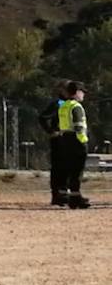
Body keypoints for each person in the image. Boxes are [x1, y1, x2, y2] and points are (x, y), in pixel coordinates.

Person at [54, 80, 91, 209]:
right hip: (76, 140)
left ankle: (66, 195)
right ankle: (76, 197)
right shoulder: (76, 106)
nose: (83, 95)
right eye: (82, 92)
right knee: (77, 170)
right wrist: (83, 140)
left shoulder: (63, 105)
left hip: (64, 138)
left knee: (67, 169)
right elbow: (79, 125)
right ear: (76, 93)